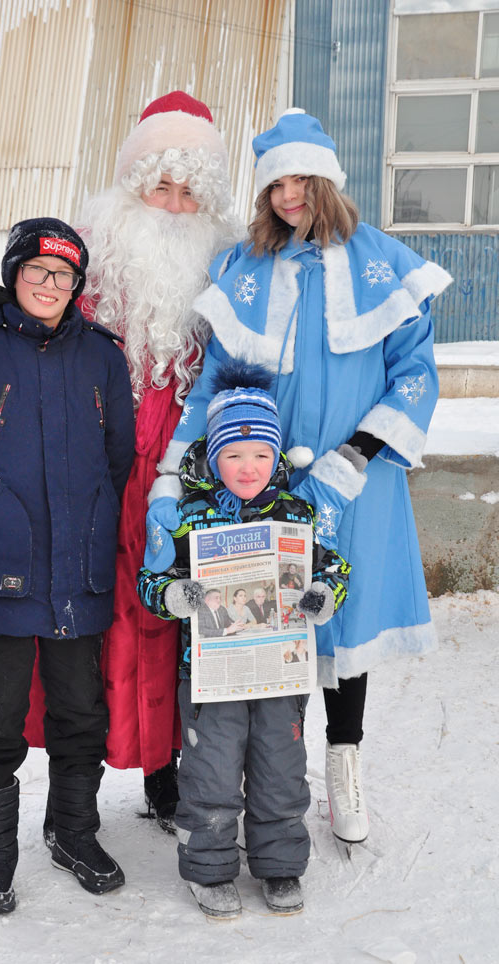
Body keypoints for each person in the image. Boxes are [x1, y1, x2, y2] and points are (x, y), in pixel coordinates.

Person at [0, 92, 242, 837]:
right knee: (82, 633)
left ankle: (169, 769)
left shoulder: (226, 269)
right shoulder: (89, 254)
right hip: (86, 475)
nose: (174, 204)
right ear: (133, 187)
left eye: (191, 191)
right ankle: (71, 802)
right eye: (161, 185)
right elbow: (22, 324)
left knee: (175, 618)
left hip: (185, 471)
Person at [146, 109, 452, 845]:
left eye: (300, 179)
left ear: (328, 180)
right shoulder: (243, 270)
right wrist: (174, 470)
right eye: (276, 183)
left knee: (346, 619)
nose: (289, 195)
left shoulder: (386, 263)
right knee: (273, 618)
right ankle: (269, 768)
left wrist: (359, 455)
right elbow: (213, 377)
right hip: (263, 484)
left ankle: (343, 763)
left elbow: (415, 375)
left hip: (360, 480)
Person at [0, 219, 135, 915]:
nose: (49, 286)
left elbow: (119, 457)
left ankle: (73, 832)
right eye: (38, 272)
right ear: (14, 274)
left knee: (80, 712)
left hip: (79, 568)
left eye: (64, 276)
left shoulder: (102, 355)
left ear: (78, 287)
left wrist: (95, 522)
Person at [137, 366, 351, 918]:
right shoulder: (187, 520)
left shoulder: (296, 515)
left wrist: (324, 593)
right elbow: (151, 581)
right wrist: (175, 594)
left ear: (276, 457)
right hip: (211, 672)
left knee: (280, 765)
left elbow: (331, 567)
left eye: (260, 454)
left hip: (279, 667)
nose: (248, 467)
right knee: (209, 771)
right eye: (234, 455)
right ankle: (208, 868)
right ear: (213, 459)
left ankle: (280, 865)